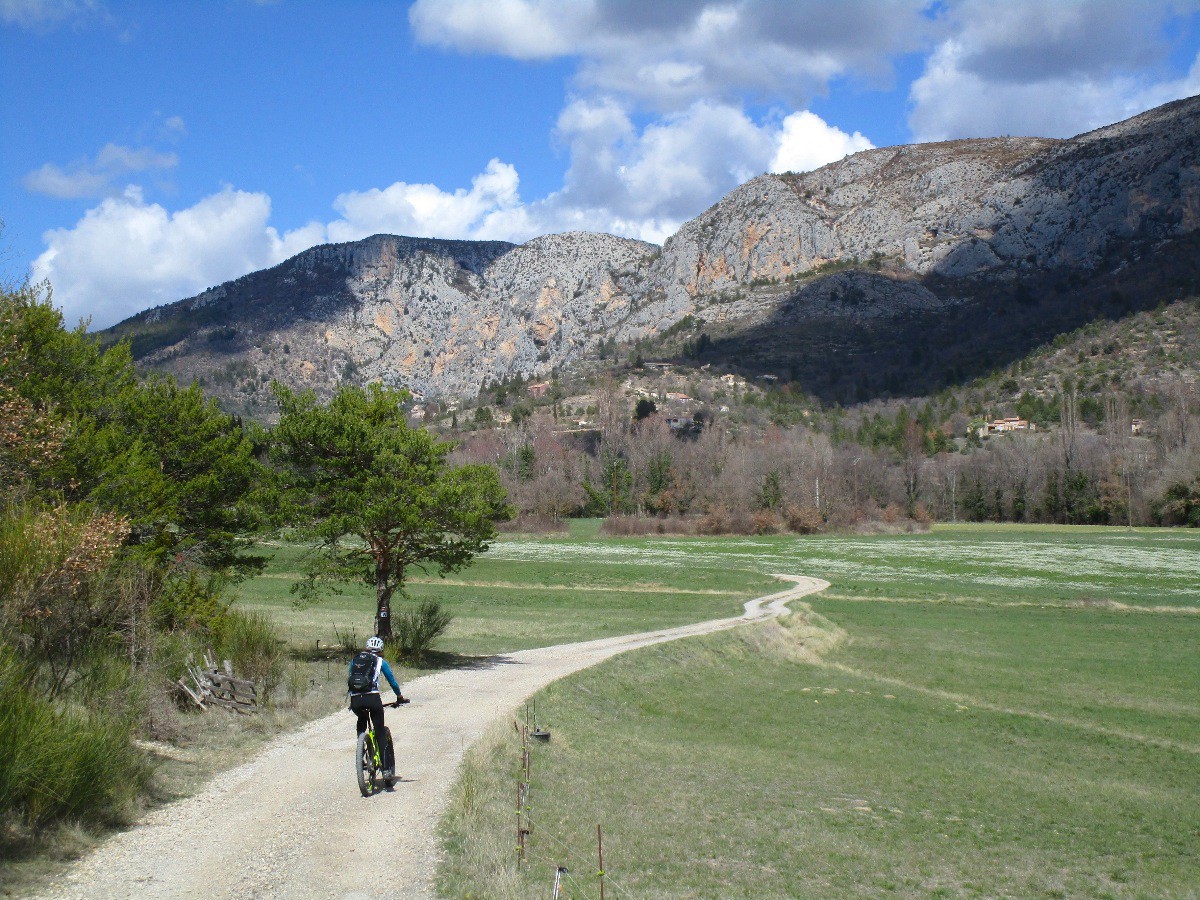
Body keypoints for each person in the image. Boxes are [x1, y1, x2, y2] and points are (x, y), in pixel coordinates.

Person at [348, 635, 407, 779]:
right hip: (372, 698)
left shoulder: (355, 660)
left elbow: (350, 677)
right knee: (380, 730)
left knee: (361, 719)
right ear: (381, 649)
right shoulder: (381, 661)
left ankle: (361, 748)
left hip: (355, 699)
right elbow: (392, 681)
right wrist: (399, 697)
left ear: (367, 648)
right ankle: (386, 770)